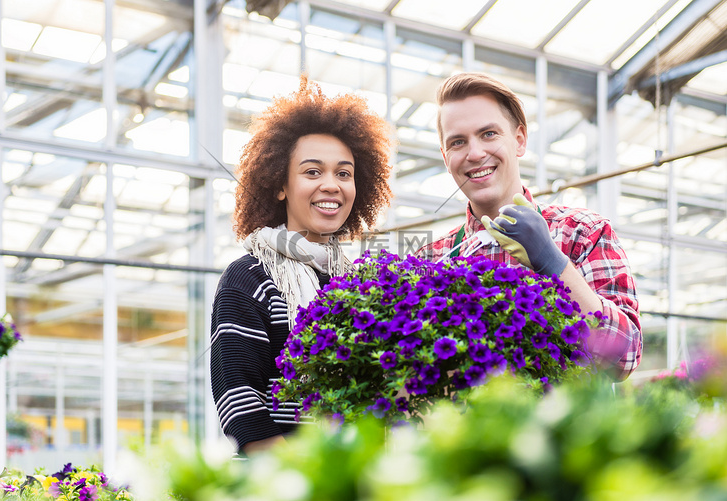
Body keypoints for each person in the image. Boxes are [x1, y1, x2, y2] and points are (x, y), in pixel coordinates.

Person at [416, 72, 642, 381]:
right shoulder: (431, 258)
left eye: (488, 134)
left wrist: (553, 263)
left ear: (520, 140)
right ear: (445, 157)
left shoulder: (582, 233)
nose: (475, 153)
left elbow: (623, 357)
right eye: (458, 142)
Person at [210, 77, 394, 455]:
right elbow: (239, 402)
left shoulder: (361, 285)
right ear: (280, 185)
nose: (331, 185)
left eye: (344, 173)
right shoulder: (250, 277)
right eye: (312, 172)